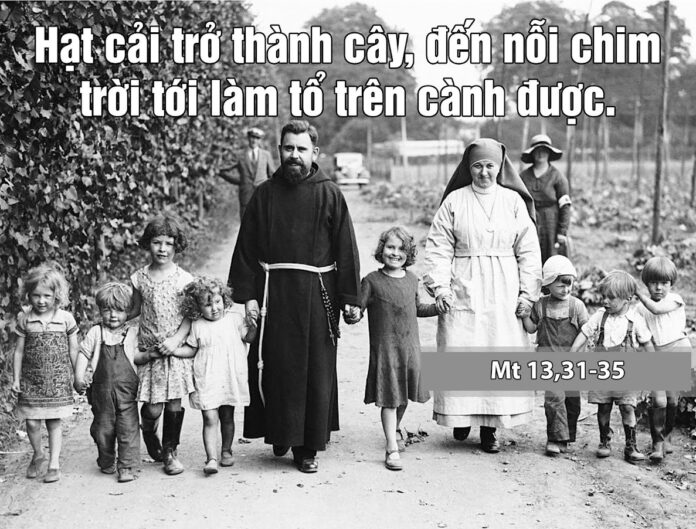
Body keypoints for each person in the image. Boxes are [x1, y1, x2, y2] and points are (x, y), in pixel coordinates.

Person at [228, 119, 361, 473]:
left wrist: (350, 298)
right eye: (288, 148)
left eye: (301, 149)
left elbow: (346, 249)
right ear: (279, 150)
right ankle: (280, 433)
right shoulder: (264, 194)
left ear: (314, 152)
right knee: (274, 365)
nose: (294, 155)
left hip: (318, 294)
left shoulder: (330, 193)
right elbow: (246, 248)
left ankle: (307, 447)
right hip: (273, 294)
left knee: (313, 370)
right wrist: (248, 296)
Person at [423, 137, 542, 453]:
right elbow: (438, 247)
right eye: (477, 166)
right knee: (462, 348)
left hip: (504, 286)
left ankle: (490, 428)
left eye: (490, 165)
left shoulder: (512, 201)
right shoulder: (455, 201)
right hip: (464, 282)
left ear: (500, 167)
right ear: (469, 168)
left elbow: (529, 250)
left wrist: (527, 293)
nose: (484, 172)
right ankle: (461, 416)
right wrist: (441, 287)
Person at [359, 226, 439, 471]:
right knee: (390, 398)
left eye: (401, 249)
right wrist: (352, 313)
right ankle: (391, 447)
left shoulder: (412, 279)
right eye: (390, 247)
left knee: (403, 395)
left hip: (409, 348)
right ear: (381, 249)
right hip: (386, 349)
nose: (395, 253)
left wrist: (438, 308)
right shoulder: (371, 281)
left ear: (409, 253)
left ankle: (394, 428)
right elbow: (358, 309)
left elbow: (418, 309)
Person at [130, 216, 195, 475]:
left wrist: (177, 340)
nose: (162, 249)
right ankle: (148, 429)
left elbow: (190, 315)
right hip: (151, 351)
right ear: (148, 243)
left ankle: (170, 451)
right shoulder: (139, 278)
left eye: (168, 243)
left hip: (174, 350)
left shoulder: (184, 279)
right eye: (157, 242)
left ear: (176, 246)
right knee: (153, 407)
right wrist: (114, 318)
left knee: (174, 403)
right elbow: (135, 309)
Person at [570, 270, 654, 463]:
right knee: (604, 407)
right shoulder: (600, 316)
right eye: (603, 297)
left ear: (627, 299)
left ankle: (631, 446)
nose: (605, 301)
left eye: (611, 298)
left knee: (627, 408)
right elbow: (585, 332)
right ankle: (604, 441)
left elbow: (647, 343)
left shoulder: (635, 320)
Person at [179, 277, 255, 475]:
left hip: (228, 377)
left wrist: (254, 325)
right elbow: (191, 349)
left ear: (224, 299)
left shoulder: (235, 319)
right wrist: (173, 351)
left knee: (227, 416)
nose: (214, 308)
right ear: (197, 306)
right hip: (207, 378)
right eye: (207, 304)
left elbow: (249, 338)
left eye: (217, 302)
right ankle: (211, 458)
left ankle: (226, 450)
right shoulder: (197, 325)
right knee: (209, 417)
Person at [12, 262, 79, 483]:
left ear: (56, 296)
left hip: (57, 380)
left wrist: (78, 376)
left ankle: (54, 464)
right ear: (28, 295)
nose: (41, 301)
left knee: (53, 422)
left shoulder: (65, 319)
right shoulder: (25, 319)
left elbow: (73, 349)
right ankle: (38, 454)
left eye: (47, 296)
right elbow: (19, 351)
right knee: (32, 422)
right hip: (31, 380)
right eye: (36, 296)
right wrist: (16, 379)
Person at [74, 282, 145, 483]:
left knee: (128, 429)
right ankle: (106, 458)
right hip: (101, 394)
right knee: (102, 430)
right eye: (107, 310)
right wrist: (78, 378)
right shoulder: (96, 332)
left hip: (127, 394)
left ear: (129, 311)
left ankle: (127, 466)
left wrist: (150, 355)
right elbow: (83, 353)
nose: (113, 315)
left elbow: (138, 357)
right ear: (100, 310)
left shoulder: (132, 333)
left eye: (119, 310)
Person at [521, 255, 589, 456]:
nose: (566, 289)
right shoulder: (541, 305)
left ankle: (566, 437)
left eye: (569, 285)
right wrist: (524, 315)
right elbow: (532, 328)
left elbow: (587, 331)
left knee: (572, 402)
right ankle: (554, 438)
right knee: (554, 400)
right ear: (548, 284)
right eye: (561, 285)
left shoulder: (576, 306)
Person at [635, 256, 692, 461]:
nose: (659, 287)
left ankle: (667, 436)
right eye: (653, 282)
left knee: (672, 399)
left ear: (671, 283)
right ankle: (657, 443)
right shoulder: (639, 309)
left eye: (664, 283)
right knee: (658, 400)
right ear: (646, 283)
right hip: (656, 353)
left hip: (677, 350)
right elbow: (643, 335)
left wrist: (638, 294)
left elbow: (657, 309)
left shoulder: (675, 299)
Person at [520, 134, 571, 263]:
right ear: (532, 153)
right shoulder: (523, 177)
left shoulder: (558, 177)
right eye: (537, 150)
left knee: (551, 259)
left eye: (544, 150)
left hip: (551, 223)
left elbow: (565, 206)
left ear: (549, 153)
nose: (540, 154)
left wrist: (562, 231)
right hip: (529, 221)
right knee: (529, 257)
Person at [219, 127, 275, 221]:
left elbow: (272, 175)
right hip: (246, 195)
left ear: (260, 140)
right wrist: (239, 181)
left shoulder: (266, 155)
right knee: (246, 224)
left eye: (257, 138)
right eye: (252, 137)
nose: (254, 140)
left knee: (263, 224)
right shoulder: (239, 155)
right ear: (248, 138)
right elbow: (222, 170)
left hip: (263, 195)